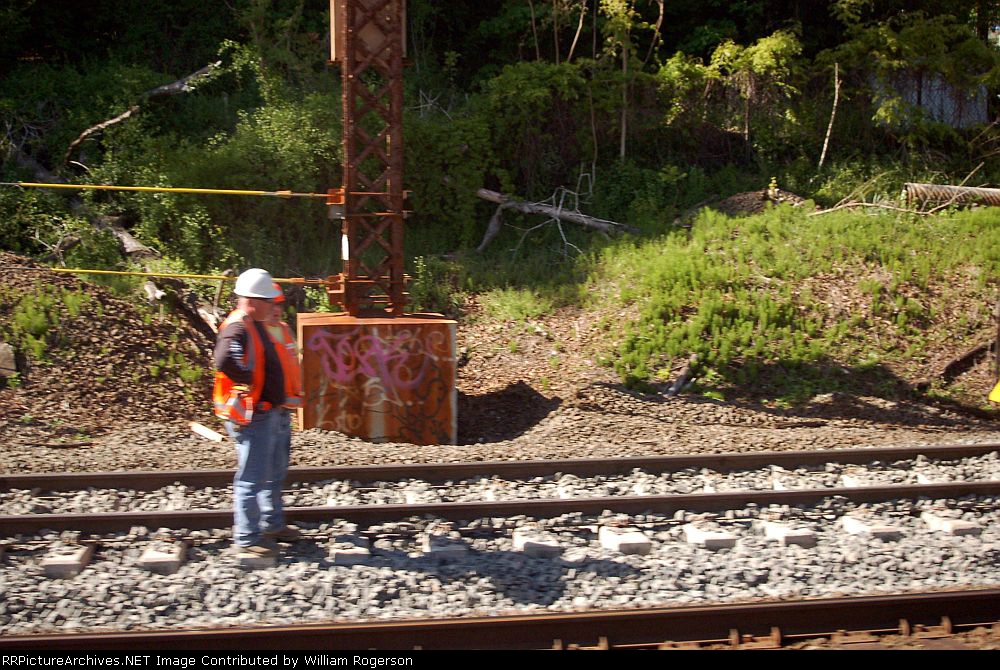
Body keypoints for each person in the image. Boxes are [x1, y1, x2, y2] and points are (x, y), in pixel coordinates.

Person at [213, 268, 301, 558]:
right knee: (252, 478)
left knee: (273, 473)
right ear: (253, 300)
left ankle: (271, 525)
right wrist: (247, 378)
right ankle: (247, 539)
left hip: (271, 412)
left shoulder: (255, 323)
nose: (273, 307)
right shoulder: (238, 326)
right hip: (254, 415)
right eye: (268, 301)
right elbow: (224, 359)